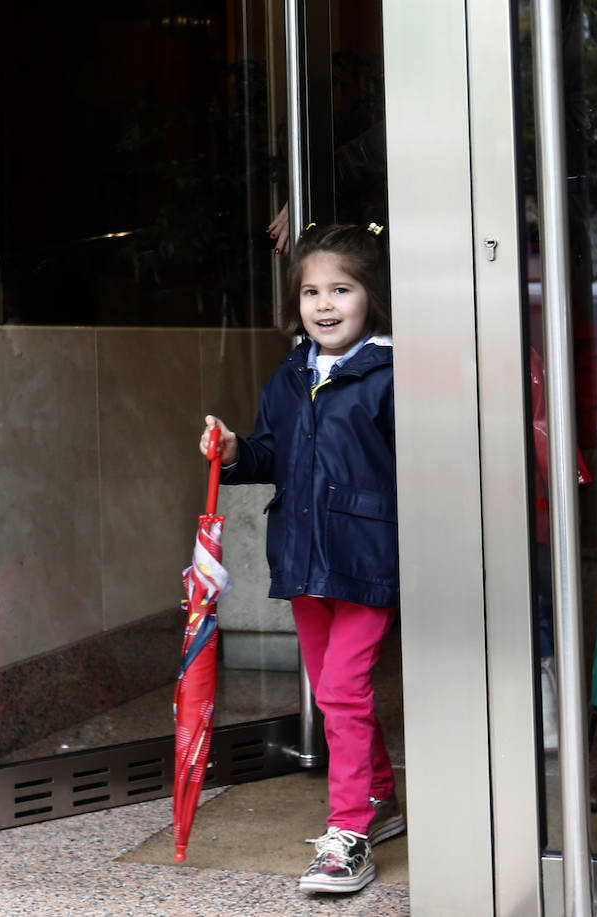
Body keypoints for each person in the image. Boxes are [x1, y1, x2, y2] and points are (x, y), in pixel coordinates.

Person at [199, 222, 402, 895]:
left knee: (342, 689)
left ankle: (347, 834)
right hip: (305, 560)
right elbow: (271, 453)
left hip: (368, 560)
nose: (325, 304)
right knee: (335, 691)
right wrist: (234, 451)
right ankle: (378, 794)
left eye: (340, 289)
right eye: (312, 290)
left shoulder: (389, 371)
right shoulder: (290, 375)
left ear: (369, 294)